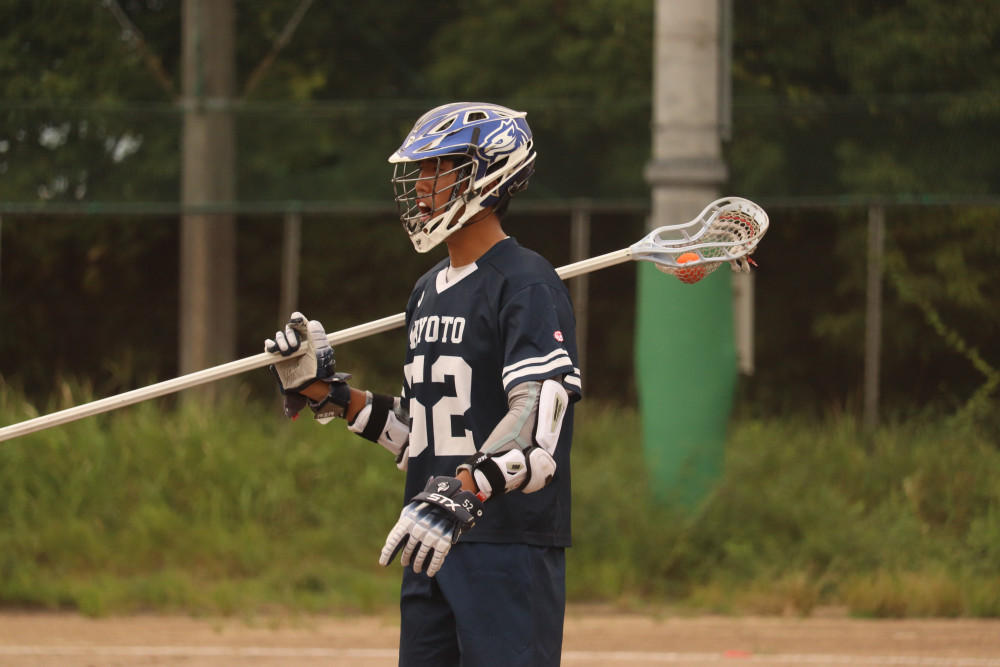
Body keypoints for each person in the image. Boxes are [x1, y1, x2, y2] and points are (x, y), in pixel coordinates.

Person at [265, 102, 582, 667]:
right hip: (429, 538)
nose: (421, 185)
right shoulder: (426, 291)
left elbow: (538, 422)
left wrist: (463, 490)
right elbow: (420, 434)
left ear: (490, 176)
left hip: (503, 544)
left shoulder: (526, 283)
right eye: (422, 170)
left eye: (440, 168)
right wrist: (328, 392)